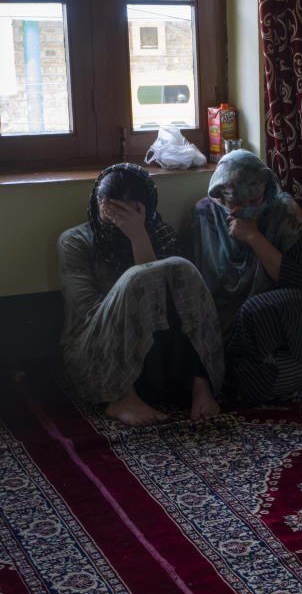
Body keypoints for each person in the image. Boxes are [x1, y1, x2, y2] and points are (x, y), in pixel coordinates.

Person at [57, 163, 223, 426]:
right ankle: (122, 398)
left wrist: (139, 236)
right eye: (112, 210)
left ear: (143, 208)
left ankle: (201, 387)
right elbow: (89, 313)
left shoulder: (160, 234)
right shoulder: (75, 242)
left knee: (181, 268)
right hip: (100, 355)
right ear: (99, 204)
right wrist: (130, 282)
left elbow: (176, 303)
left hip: (159, 355)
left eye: (128, 212)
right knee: (139, 278)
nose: (117, 220)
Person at [186, 149, 302, 405]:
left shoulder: (286, 214)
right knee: (236, 376)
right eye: (237, 205)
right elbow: (192, 286)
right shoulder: (205, 215)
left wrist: (255, 238)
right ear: (220, 198)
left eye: (256, 201)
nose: (249, 210)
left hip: (276, 314)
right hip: (225, 325)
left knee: (253, 312)